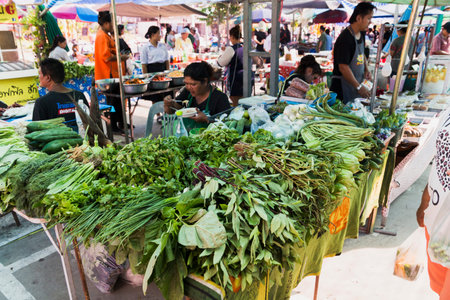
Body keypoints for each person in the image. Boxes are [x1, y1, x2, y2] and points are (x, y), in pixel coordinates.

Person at [416, 113, 450, 299]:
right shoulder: (448, 110)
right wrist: (425, 201)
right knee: (439, 287)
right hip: (436, 221)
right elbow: (440, 159)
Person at [163, 62, 231, 132]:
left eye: (193, 84)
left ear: (205, 81)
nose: (189, 87)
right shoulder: (187, 92)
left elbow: (227, 124)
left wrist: (207, 119)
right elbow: (172, 110)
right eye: (186, 83)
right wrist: (168, 104)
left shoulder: (220, 98)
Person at [330, 2, 375, 103]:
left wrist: (366, 69)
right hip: (342, 88)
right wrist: (359, 87)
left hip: (355, 85)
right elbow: (343, 67)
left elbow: (361, 53)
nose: (370, 22)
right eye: (368, 18)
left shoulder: (362, 33)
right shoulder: (345, 38)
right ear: (359, 18)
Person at [94, 11, 128, 133]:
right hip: (107, 74)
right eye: (113, 23)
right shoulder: (102, 36)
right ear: (106, 23)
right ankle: (113, 126)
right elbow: (106, 57)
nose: (114, 26)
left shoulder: (106, 34)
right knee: (113, 101)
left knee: (117, 101)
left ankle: (120, 123)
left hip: (113, 73)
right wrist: (121, 58)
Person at [33, 58, 89, 131]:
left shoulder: (42, 102)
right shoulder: (79, 95)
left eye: (40, 74)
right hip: (84, 140)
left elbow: (36, 132)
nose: (39, 77)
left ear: (48, 77)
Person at [217, 25, 251, 106]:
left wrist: (221, 55)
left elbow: (221, 63)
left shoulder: (231, 49)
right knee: (245, 101)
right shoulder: (246, 47)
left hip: (236, 80)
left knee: (237, 103)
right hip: (248, 78)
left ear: (232, 36)